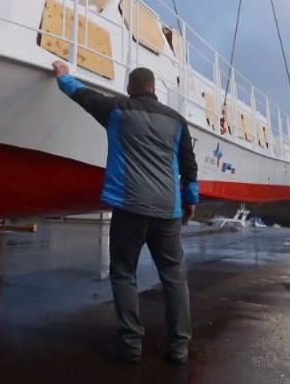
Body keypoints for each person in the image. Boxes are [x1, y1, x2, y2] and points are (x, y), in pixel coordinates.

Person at [51, 60, 199, 366]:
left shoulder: (117, 109)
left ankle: (131, 345)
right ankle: (179, 348)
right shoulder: (177, 120)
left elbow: (82, 95)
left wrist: (62, 75)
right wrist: (190, 200)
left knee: (123, 272)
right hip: (167, 211)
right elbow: (189, 166)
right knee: (174, 277)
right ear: (155, 90)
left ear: (130, 89)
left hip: (130, 208)